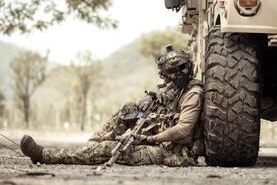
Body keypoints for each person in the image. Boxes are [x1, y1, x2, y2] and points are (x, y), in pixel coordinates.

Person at [20, 44, 204, 167]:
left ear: (190, 66)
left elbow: (183, 130)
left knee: (108, 150)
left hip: (175, 153)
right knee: (130, 108)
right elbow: (151, 106)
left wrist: (147, 139)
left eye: (182, 68)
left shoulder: (192, 93)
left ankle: (45, 155)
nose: (179, 74)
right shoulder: (175, 89)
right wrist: (146, 106)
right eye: (172, 71)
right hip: (162, 142)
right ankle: (92, 144)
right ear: (165, 74)